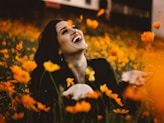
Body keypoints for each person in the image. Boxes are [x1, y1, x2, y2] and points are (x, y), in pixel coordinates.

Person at [29, 19, 149, 123]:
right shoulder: (53, 78)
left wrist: (128, 84)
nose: (74, 31)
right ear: (58, 49)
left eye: (74, 27)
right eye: (65, 31)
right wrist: (66, 99)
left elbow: (118, 107)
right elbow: (46, 116)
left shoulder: (102, 66)